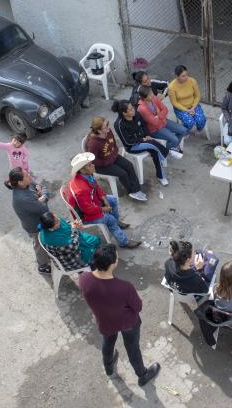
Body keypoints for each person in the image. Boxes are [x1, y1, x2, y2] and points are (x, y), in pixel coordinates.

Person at [78, 244, 161, 386]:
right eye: (116, 258)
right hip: (127, 323)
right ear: (112, 264)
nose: (117, 259)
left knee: (108, 343)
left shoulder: (84, 278)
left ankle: (109, 368)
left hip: (104, 322)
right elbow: (138, 307)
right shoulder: (125, 287)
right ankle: (142, 375)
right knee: (132, 347)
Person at [67, 152, 141, 249]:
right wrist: (104, 209)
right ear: (82, 170)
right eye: (90, 165)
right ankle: (124, 242)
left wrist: (104, 199)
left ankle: (116, 222)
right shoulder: (81, 190)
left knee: (112, 200)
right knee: (110, 219)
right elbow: (88, 209)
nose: (93, 165)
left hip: (93, 202)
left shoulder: (87, 175)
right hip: (85, 216)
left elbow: (96, 187)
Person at [113, 100, 180, 187]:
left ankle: (161, 176)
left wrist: (147, 135)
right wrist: (143, 139)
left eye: (132, 108)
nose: (133, 110)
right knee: (152, 144)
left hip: (144, 140)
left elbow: (144, 126)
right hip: (132, 146)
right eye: (130, 109)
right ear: (124, 113)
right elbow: (128, 141)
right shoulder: (119, 124)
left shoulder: (136, 114)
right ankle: (168, 152)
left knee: (155, 150)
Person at [85, 116, 147, 202]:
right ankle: (131, 191)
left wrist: (113, 155)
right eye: (105, 126)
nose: (108, 127)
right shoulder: (94, 143)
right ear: (99, 131)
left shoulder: (109, 132)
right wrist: (106, 162)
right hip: (102, 165)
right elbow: (93, 160)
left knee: (129, 165)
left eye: (107, 124)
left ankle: (136, 189)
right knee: (123, 173)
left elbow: (114, 145)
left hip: (112, 157)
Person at [5, 167, 51, 274]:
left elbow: (42, 187)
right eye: (26, 175)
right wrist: (42, 196)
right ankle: (42, 266)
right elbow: (44, 209)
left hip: (39, 219)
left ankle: (47, 255)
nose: (29, 175)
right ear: (20, 182)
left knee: (43, 242)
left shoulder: (27, 183)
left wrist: (42, 196)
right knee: (39, 244)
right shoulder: (22, 198)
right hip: (34, 226)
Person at [137, 85, 189, 152]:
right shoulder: (142, 108)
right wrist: (161, 115)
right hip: (155, 129)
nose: (152, 95)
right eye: (149, 95)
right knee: (175, 140)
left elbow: (165, 109)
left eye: (151, 93)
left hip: (164, 121)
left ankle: (171, 147)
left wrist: (158, 116)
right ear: (144, 98)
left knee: (184, 130)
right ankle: (166, 150)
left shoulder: (154, 98)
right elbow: (154, 122)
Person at [168, 65, 207, 133]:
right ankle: (185, 132)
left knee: (201, 120)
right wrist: (187, 110)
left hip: (193, 105)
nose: (186, 77)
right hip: (181, 109)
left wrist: (193, 107)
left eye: (186, 75)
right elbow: (174, 103)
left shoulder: (192, 81)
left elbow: (197, 96)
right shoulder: (171, 87)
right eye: (183, 76)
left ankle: (199, 130)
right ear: (177, 76)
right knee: (189, 122)